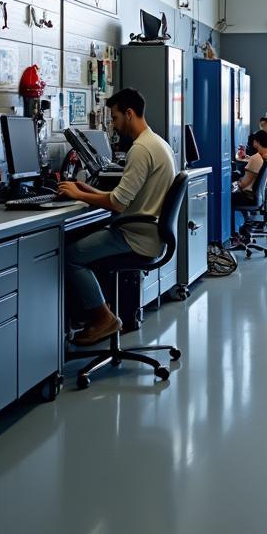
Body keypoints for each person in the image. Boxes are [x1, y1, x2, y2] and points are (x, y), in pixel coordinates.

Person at [58, 87, 175, 345]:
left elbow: (118, 203)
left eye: (115, 118)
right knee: (85, 243)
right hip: (150, 234)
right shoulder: (159, 143)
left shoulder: (141, 149)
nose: (114, 124)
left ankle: (103, 318)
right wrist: (89, 190)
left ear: (129, 114)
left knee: (71, 256)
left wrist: (79, 195)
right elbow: (127, 194)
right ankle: (100, 311)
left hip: (136, 237)